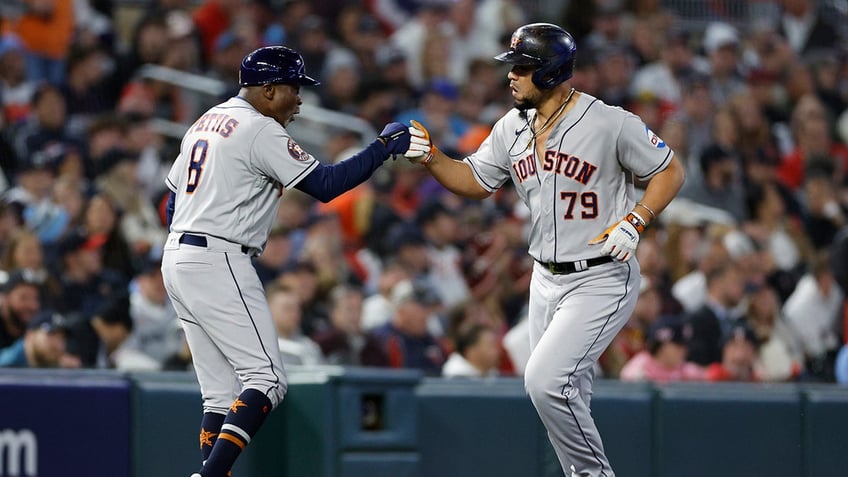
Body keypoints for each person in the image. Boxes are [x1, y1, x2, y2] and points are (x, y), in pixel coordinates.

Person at [402, 23, 685, 477]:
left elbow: (670, 170)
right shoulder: (511, 126)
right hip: (544, 277)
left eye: (522, 67)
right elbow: (476, 181)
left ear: (551, 73)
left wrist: (637, 220)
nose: (511, 75)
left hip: (601, 275)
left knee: (545, 381)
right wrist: (433, 157)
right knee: (567, 393)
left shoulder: (608, 122)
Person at [159, 45, 410, 477]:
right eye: (293, 89)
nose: (299, 99)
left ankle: (211, 471)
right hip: (219, 256)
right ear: (268, 89)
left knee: (220, 395)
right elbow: (329, 185)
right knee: (268, 379)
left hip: (179, 255)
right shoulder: (259, 129)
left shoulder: (206, 121)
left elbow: (170, 203)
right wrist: (382, 147)